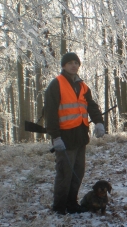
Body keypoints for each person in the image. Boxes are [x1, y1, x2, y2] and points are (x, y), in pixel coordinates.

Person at [44, 52, 105, 215]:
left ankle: (72, 204)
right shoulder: (56, 84)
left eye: (76, 63)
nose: (73, 65)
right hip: (64, 137)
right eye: (70, 63)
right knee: (65, 173)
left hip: (80, 136)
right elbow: (50, 113)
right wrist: (55, 137)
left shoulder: (82, 86)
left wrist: (99, 122)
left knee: (78, 172)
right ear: (64, 66)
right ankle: (59, 207)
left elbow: (91, 106)